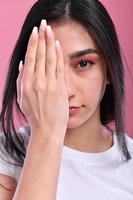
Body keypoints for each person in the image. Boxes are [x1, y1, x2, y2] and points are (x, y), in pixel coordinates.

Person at [0, 0, 133, 199]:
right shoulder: (5, 155)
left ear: (109, 71)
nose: (66, 90)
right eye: (48, 65)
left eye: (84, 63)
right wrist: (46, 131)